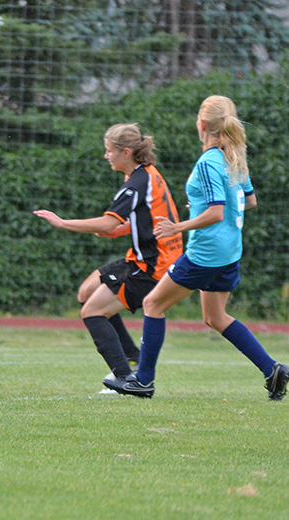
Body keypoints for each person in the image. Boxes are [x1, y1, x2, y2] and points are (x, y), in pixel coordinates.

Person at [104, 95, 289, 400]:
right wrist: (202, 206)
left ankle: (143, 381)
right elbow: (249, 200)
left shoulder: (209, 161)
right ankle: (273, 370)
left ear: (201, 124)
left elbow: (216, 212)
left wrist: (178, 226)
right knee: (215, 318)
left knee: (153, 305)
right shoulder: (234, 156)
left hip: (206, 253)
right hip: (230, 252)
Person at [34, 123, 183, 388]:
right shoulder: (146, 175)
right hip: (149, 258)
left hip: (153, 266)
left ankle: (126, 379)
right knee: (86, 293)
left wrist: (63, 222)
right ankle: (132, 357)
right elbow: (152, 218)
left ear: (126, 152)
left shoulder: (137, 183)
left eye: (109, 151)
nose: (106, 156)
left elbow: (106, 223)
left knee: (92, 312)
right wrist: (121, 229)